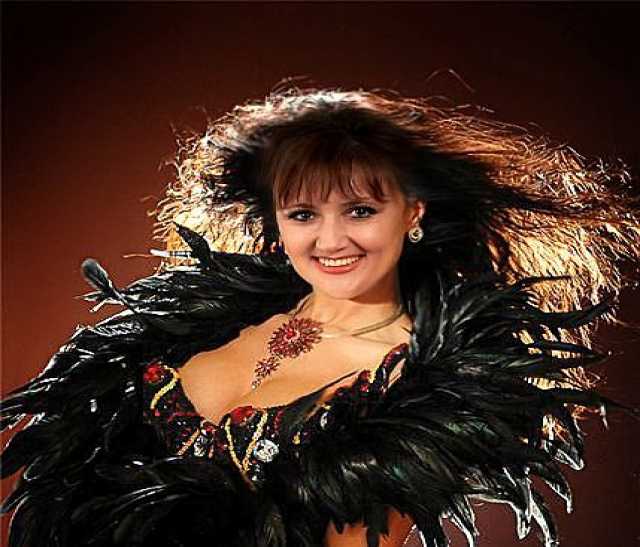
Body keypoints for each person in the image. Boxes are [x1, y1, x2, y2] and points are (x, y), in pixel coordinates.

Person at [1, 86, 639, 547]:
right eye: (304, 213)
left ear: (413, 212)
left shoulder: (424, 385)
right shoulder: (198, 322)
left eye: (360, 210)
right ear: (276, 221)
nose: (331, 241)